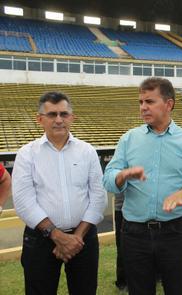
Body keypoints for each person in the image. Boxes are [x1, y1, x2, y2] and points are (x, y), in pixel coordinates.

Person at [103, 77, 182, 295]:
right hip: (134, 233)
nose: (143, 107)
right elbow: (108, 178)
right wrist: (122, 176)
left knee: (176, 289)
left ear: (169, 104)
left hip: (174, 231)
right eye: (140, 102)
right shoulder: (129, 139)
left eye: (150, 101)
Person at [12, 91, 107, 295]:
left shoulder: (87, 151)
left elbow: (98, 196)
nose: (58, 120)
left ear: (72, 118)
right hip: (40, 240)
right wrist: (57, 235)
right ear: (40, 119)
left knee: (85, 290)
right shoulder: (26, 154)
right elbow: (24, 201)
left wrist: (76, 237)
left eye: (64, 114)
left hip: (83, 238)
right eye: (52, 114)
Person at [113, 192, 127, 291]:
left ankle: (156, 275)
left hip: (145, 211)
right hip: (122, 210)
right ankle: (122, 281)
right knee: (123, 247)